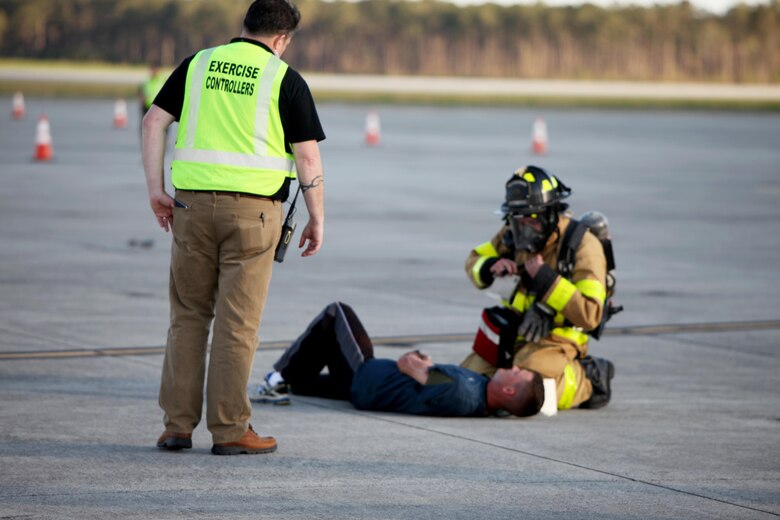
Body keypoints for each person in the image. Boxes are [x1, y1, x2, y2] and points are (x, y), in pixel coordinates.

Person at [143, 0, 325, 456]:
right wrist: (318, 216)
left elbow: (152, 123)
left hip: (189, 208)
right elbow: (307, 158)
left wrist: (156, 191)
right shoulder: (285, 79)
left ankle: (176, 428)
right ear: (282, 38)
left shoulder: (198, 64)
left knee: (187, 318)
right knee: (237, 326)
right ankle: (229, 431)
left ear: (244, 27)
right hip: (253, 217)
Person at [461, 165, 615, 411]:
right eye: (517, 219)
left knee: (533, 398)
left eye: (531, 219)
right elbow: (473, 260)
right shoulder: (514, 232)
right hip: (514, 332)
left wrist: (548, 283)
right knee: (467, 384)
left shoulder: (584, 246)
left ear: (551, 213)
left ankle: (587, 379)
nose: (523, 228)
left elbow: (591, 315)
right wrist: (490, 265)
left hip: (556, 339)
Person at [258, 302, 545, 418]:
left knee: (336, 314)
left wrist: (417, 358)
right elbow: (425, 378)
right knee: (304, 382)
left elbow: (407, 365)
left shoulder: (460, 390)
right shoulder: (483, 399)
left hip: (366, 378)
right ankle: (290, 381)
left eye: (517, 373)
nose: (514, 367)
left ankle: (275, 378)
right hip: (370, 389)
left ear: (508, 390)